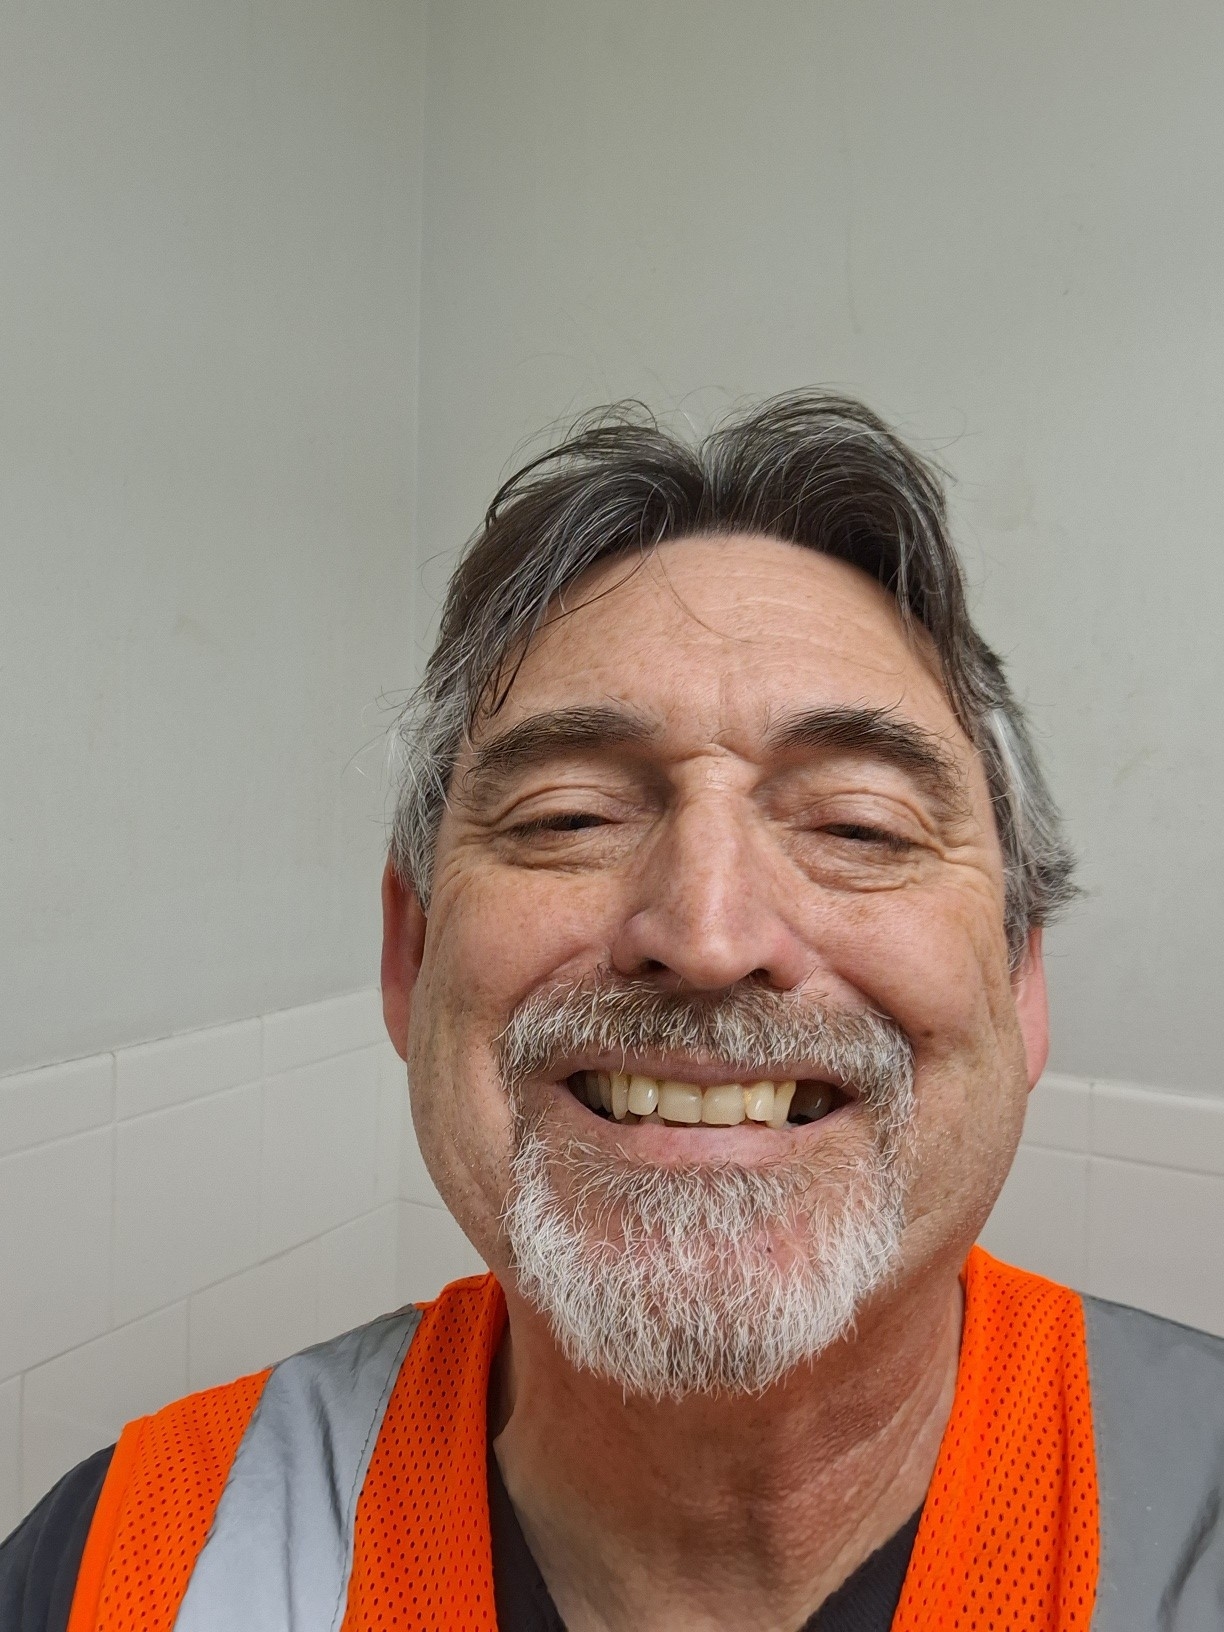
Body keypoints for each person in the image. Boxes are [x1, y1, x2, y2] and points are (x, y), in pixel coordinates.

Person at [4, 392, 1222, 1632]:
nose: (707, 934)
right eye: (569, 817)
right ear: (411, 954)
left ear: (1020, 978)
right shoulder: (120, 1567)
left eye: (859, 827)